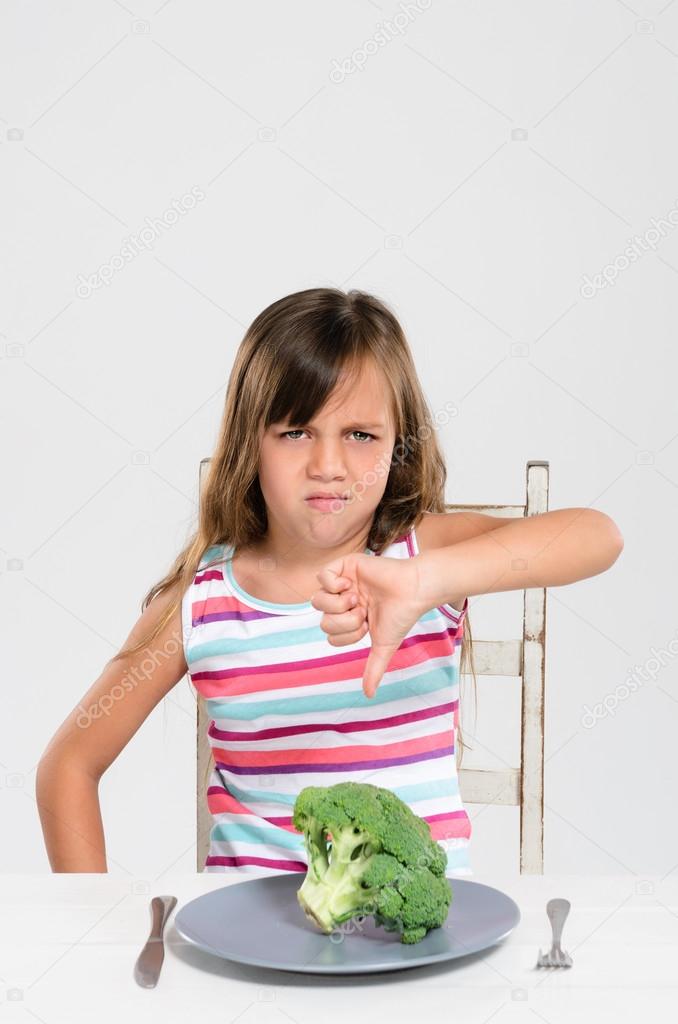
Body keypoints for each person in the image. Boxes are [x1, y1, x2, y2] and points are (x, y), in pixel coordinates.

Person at [35, 287, 624, 875]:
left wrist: (422, 582)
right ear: (251, 441)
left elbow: (597, 536)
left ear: (398, 445)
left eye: (360, 434)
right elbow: (68, 766)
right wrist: (94, 924)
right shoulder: (201, 601)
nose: (329, 465)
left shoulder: (422, 553)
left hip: (420, 948)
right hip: (250, 945)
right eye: (296, 431)